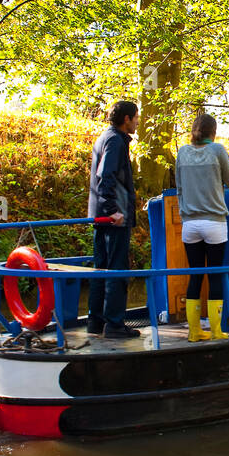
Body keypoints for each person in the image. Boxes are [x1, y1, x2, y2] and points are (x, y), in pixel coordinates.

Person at [175, 112, 229, 341]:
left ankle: (194, 332)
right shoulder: (217, 150)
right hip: (214, 223)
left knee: (196, 275)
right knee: (215, 275)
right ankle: (216, 331)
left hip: (189, 224)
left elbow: (179, 186)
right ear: (213, 132)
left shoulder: (182, 152)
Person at [87, 100, 140, 338]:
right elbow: (105, 175)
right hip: (113, 217)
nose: (138, 121)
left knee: (101, 268)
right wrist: (112, 210)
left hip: (100, 216)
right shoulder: (116, 141)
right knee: (117, 269)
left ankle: (95, 322)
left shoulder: (103, 138)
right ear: (126, 119)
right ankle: (115, 324)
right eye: (136, 117)